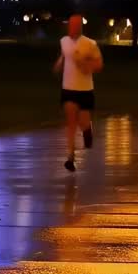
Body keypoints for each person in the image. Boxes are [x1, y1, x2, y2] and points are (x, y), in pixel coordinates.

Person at [54, 14, 103, 171]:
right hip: (68, 88)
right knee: (70, 122)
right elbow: (63, 56)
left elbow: (99, 64)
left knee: (82, 122)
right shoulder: (64, 41)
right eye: (70, 25)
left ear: (81, 27)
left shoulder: (90, 44)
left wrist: (85, 65)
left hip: (85, 90)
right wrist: (59, 64)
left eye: (76, 25)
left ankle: (87, 130)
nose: (72, 28)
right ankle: (70, 157)